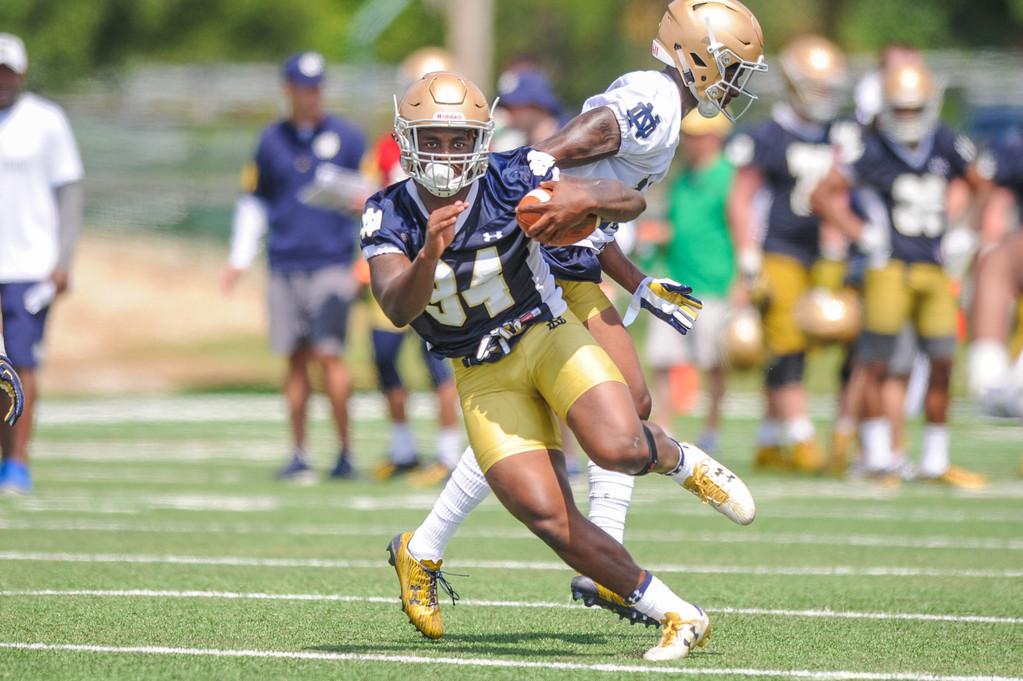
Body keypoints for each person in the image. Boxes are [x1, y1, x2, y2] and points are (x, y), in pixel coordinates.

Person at [386, 0, 767, 640]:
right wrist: (529, 167)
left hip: (572, 258)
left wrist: (637, 280)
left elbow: (593, 210)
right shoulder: (655, 96)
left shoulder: (665, 106)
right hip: (547, 268)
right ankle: (671, 476)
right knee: (598, 414)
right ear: (698, 55)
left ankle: (430, 548)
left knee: (621, 406)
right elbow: (595, 134)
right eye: (730, 68)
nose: (732, 84)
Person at [810, 58, 989, 489]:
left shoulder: (945, 139)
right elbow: (822, 194)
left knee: (943, 360)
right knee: (874, 361)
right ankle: (877, 457)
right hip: (886, 265)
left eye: (914, 109)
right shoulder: (870, 146)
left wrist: (965, 230)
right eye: (900, 109)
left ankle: (934, 459)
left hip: (934, 263)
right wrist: (860, 231)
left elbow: (982, 186)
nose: (908, 118)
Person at [222, 51, 366, 482]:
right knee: (294, 359)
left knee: (330, 354)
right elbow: (255, 201)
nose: (311, 96)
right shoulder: (270, 140)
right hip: (285, 262)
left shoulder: (347, 136)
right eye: (304, 87)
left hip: (331, 261)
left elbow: (374, 197)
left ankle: (345, 453)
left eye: (317, 87)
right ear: (288, 90)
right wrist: (239, 258)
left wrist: (367, 255)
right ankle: (300, 453)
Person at [725, 35, 851, 474]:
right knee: (788, 342)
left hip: (822, 255)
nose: (822, 98)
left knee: (808, 348)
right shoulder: (769, 136)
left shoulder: (841, 134)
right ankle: (802, 440)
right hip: (777, 252)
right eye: (814, 87)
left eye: (827, 88)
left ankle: (767, 439)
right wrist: (748, 259)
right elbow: (741, 199)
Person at [362, 47, 464, 486]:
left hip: (449, 262)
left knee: (439, 361)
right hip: (396, 257)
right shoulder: (388, 145)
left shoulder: (465, 140)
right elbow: (373, 194)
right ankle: (403, 447)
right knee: (384, 356)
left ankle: (446, 453)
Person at [0, 33, 83, 494]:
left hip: (29, 265)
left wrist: (63, 259)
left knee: (21, 365)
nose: (1, 80)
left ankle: (17, 461)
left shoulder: (46, 121)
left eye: (7, 71)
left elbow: (68, 192)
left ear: (22, 74)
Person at [641, 110, 737, 453]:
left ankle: (712, 427)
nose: (690, 142)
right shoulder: (682, 178)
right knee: (664, 359)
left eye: (697, 136)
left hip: (714, 282)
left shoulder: (729, 177)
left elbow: (739, 228)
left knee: (714, 362)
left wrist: (740, 282)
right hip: (676, 282)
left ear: (715, 138)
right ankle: (665, 424)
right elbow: (675, 223)